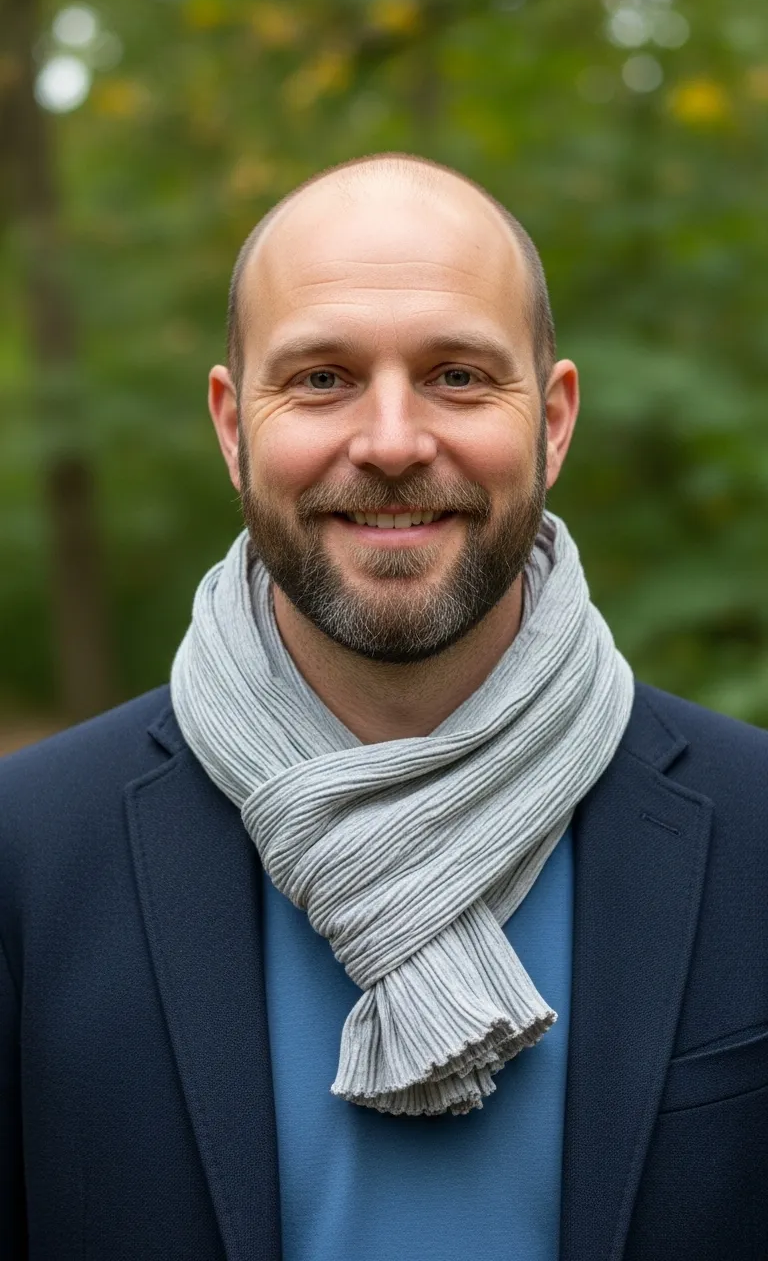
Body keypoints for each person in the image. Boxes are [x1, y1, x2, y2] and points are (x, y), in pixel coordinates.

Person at [1, 153, 766, 1261]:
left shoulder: (757, 835)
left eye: (459, 375)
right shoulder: (27, 860)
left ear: (552, 420)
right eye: (322, 378)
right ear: (231, 425)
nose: (396, 440)